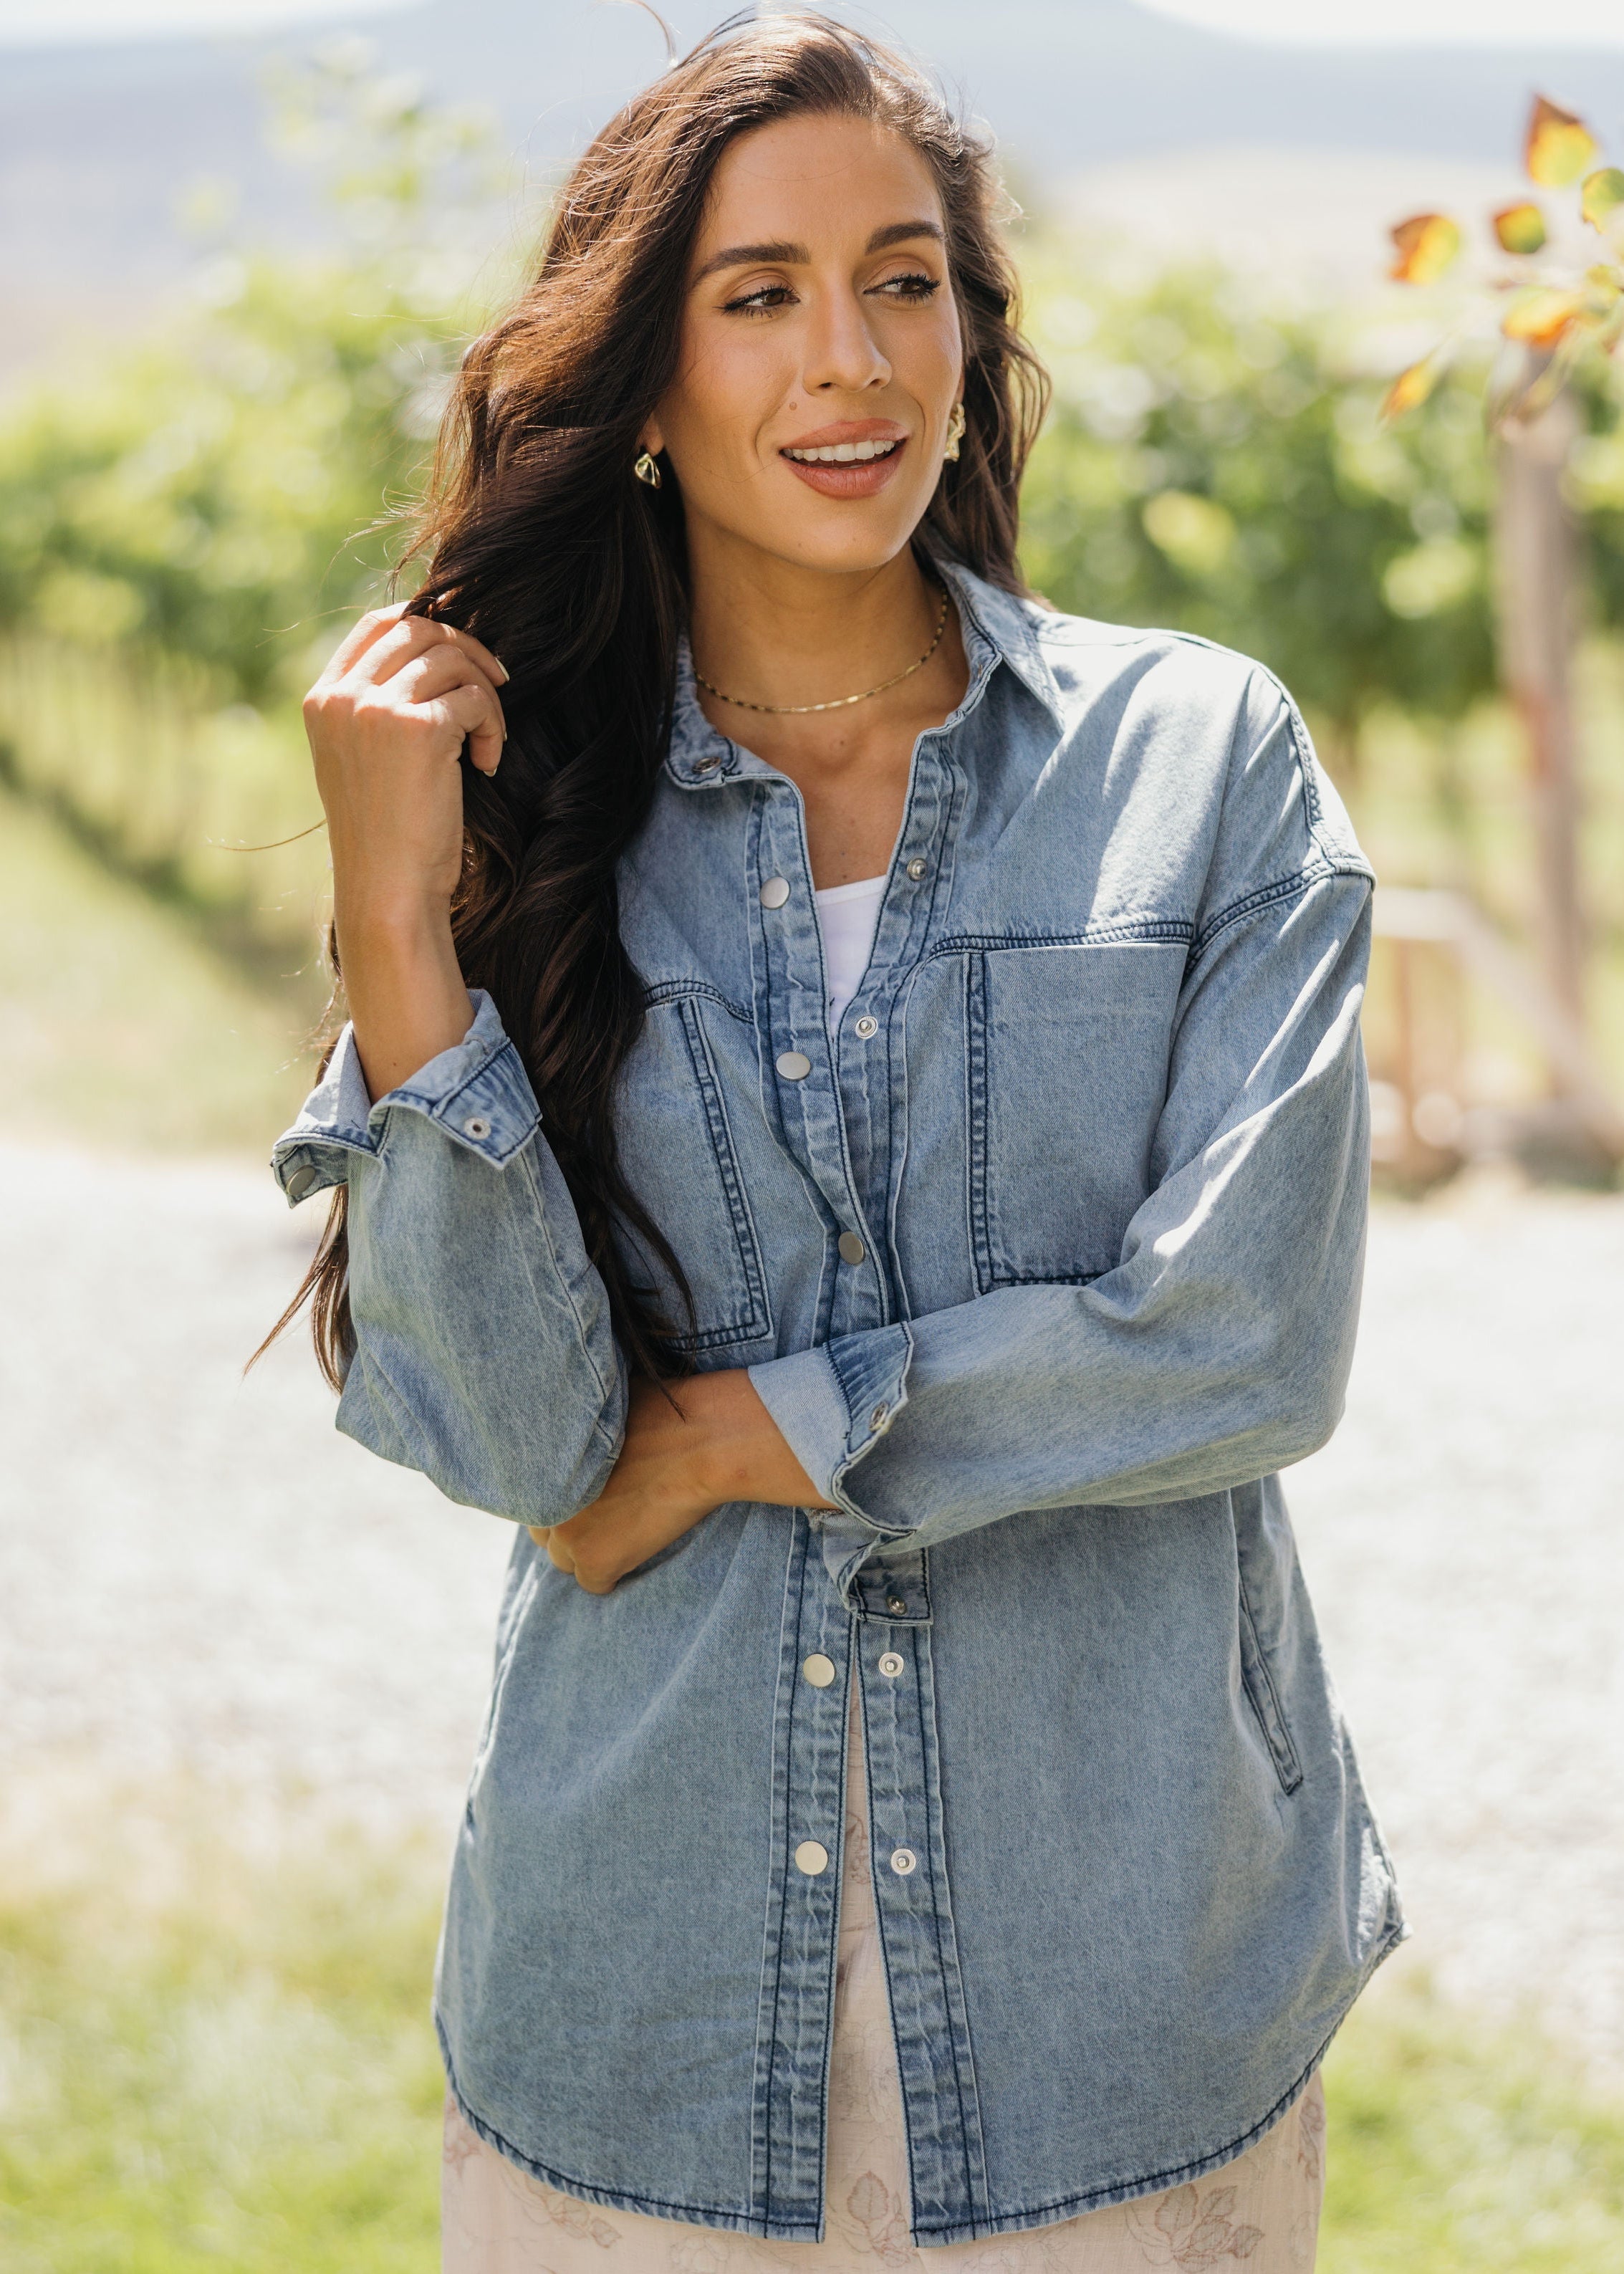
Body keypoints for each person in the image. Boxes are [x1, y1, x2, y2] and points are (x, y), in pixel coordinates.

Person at [269, 15, 1402, 2270]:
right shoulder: (528, 812)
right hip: (642, 2020)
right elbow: (524, 1443)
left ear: (975, 338)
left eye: (904, 279)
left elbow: (1244, 1340)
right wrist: (396, 926)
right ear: (648, 377)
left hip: (1126, 2017)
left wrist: (738, 1437)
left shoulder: (1198, 760)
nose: (850, 359)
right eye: (757, 293)